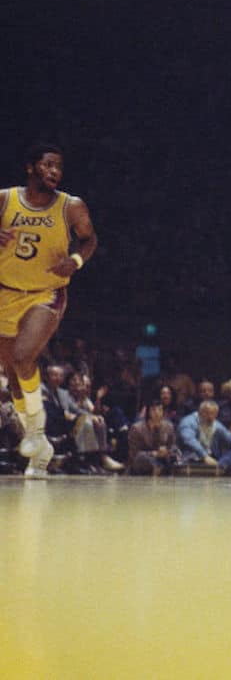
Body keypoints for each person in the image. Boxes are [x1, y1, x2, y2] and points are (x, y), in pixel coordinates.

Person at [0, 143, 98, 478]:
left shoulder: (71, 206)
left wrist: (76, 260)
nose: (54, 172)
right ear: (31, 168)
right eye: (48, 165)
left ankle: (37, 432)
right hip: (5, 292)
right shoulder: (5, 199)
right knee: (12, 371)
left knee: (24, 355)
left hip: (47, 292)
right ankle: (40, 450)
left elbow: (90, 239)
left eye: (58, 167)